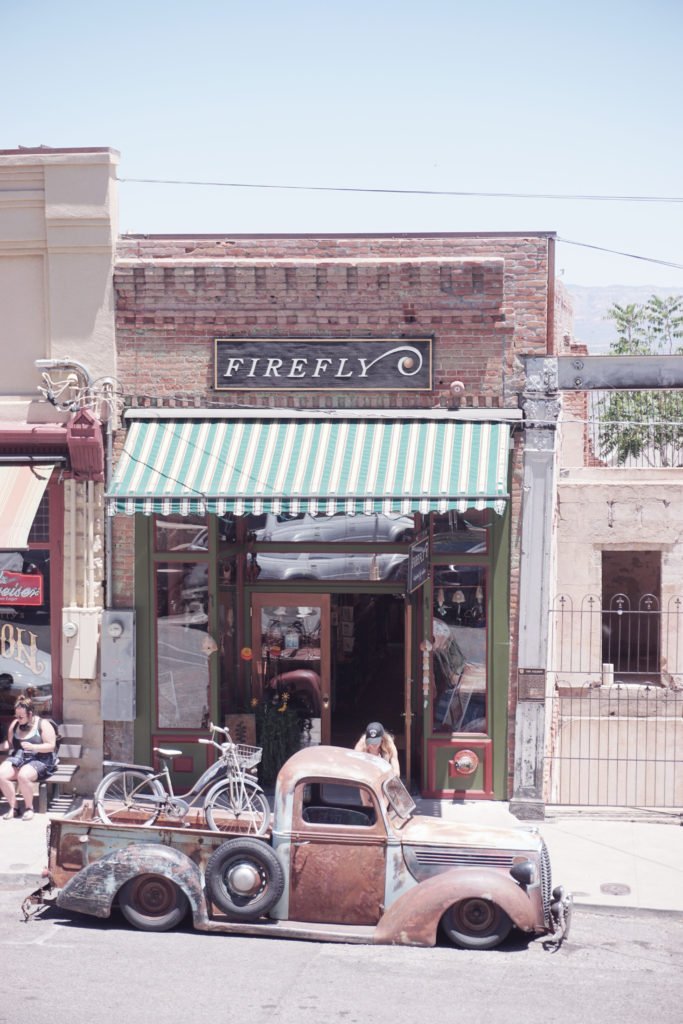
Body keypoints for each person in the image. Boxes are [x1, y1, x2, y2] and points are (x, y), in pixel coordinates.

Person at [0, 695, 58, 820]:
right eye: (16, 716)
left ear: (30, 714)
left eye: (21, 717)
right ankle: (14, 807)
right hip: (19, 757)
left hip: (41, 758)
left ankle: (29, 808)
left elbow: (51, 746)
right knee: (1, 774)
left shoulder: (43, 724)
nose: (18, 719)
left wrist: (34, 747)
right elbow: (9, 744)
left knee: (23, 775)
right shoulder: (15, 724)